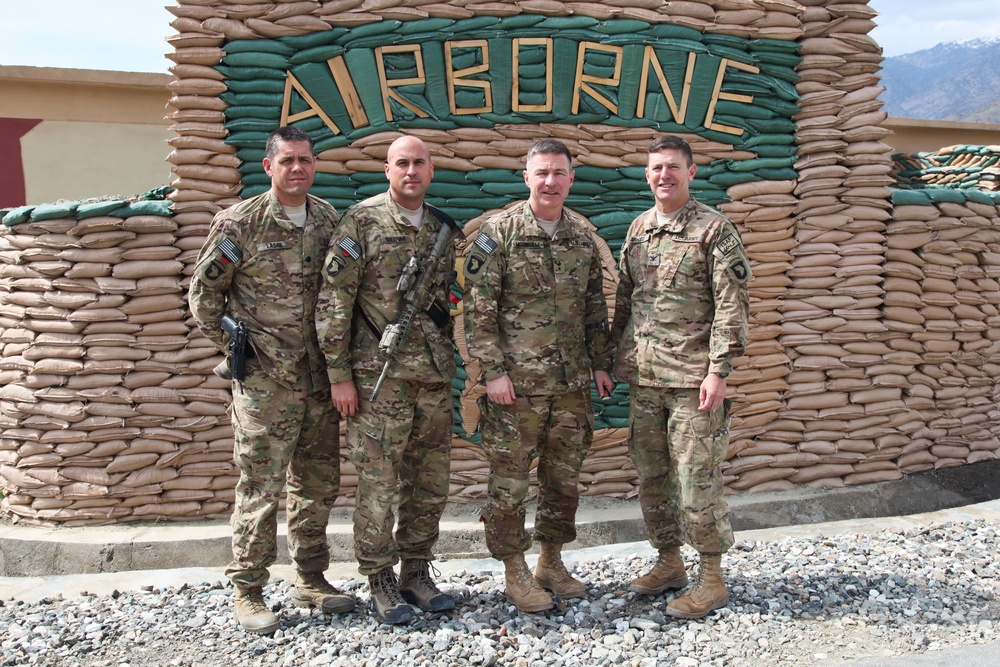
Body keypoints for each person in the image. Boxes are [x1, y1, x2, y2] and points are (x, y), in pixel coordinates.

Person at [188, 126, 353, 634]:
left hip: (319, 379)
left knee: (317, 483)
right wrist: (241, 351)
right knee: (260, 487)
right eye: (287, 161)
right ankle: (249, 589)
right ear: (269, 167)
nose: (297, 168)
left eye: (305, 160)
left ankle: (311, 577)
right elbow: (203, 299)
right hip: (265, 384)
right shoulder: (240, 224)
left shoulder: (327, 219)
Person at [462, 139, 614, 613]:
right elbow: (477, 310)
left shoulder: (581, 238)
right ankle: (513, 570)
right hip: (516, 389)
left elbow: (593, 308)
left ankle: (551, 560)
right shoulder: (499, 234)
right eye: (542, 172)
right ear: (527, 177)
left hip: (569, 386)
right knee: (509, 482)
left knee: (562, 479)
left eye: (559, 173)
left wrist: (601, 362)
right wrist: (492, 373)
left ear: (571, 179)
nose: (550, 182)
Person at [316, 135, 460, 625]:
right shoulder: (362, 221)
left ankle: (417, 571)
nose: (412, 171)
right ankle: (379, 577)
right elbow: (335, 302)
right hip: (379, 379)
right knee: (378, 483)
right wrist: (340, 377)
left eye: (420, 162)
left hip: (433, 375)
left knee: (429, 482)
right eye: (403, 163)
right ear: (387, 169)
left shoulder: (442, 227)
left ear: (431, 170)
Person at [610, 134, 751, 619]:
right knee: (652, 478)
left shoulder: (714, 230)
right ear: (646, 175)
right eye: (655, 168)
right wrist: (614, 359)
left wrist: (719, 370)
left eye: (673, 166)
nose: (663, 175)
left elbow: (732, 305)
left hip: (694, 381)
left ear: (691, 171)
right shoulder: (640, 228)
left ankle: (712, 576)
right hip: (647, 379)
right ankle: (669, 561)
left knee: (695, 481)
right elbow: (626, 300)